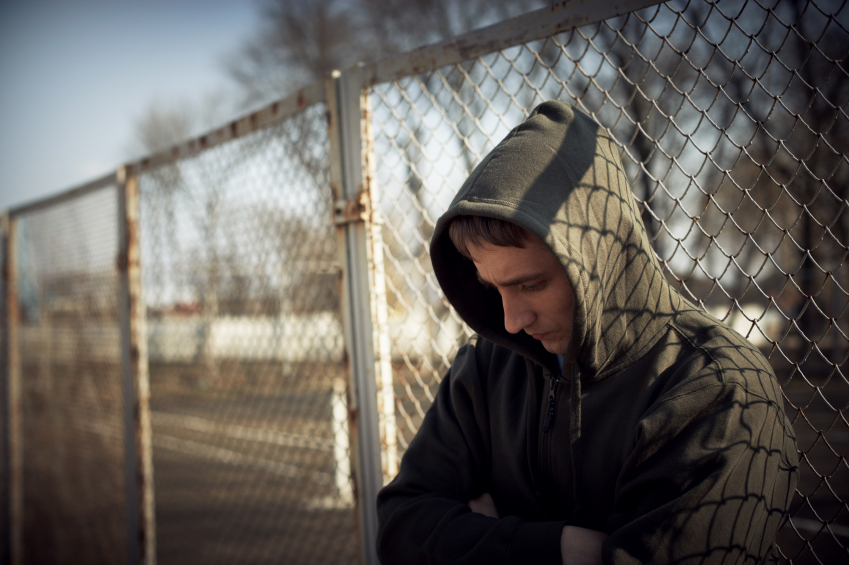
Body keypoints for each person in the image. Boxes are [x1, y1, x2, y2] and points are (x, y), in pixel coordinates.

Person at [375, 101, 799, 564]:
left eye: (530, 285)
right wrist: (560, 548)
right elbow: (401, 525)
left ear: (597, 261)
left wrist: (474, 536)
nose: (511, 320)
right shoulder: (487, 367)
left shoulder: (719, 391)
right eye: (492, 288)